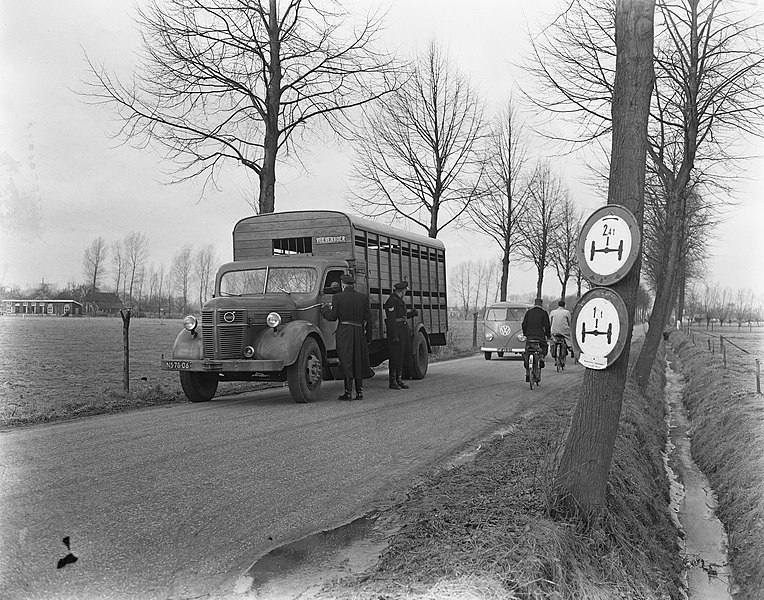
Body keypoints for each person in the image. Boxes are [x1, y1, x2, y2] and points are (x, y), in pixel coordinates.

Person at [321, 273, 372, 400]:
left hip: (344, 332)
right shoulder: (363, 297)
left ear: (343, 284)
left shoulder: (338, 297)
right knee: (358, 360)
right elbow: (368, 319)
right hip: (359, 332)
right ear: (352, 284)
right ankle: (359, 392)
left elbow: (333, 317)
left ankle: (348, 392)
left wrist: (325, 310)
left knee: (346, 361)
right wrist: (368, 337)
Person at [384, 281, 418, 390]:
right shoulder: (391, 301)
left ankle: (399, 380)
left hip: (403, 330)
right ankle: (392, 381)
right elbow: (391, 319)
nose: (405, 292)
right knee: (395, 356)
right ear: (402, 291)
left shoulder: (400, 301)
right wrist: (394, 335)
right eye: (405, 291)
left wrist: (411, 314)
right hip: (396, 331)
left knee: (402, 355)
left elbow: (402, 316)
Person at [521, 298, 551, 382]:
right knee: (544, 347)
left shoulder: (529, 312)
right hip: (540, 336)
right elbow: (547, 325)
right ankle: (541, 357)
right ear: (541, 304)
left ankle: (527, 371)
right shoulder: (544, 313)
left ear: (534, 303)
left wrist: (525, 333)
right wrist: (548, 335)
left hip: (530, 336)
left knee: (527, 351)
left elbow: (524, 324)